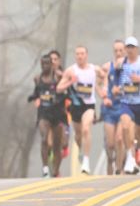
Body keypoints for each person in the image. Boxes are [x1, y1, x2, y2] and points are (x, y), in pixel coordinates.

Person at [56, 46, 106, 174]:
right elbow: (58, 88)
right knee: (78, 136)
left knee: (86, 129)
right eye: (77, 54)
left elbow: (105, 76)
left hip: (89, 106)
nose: (80, 56)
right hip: (76, 106)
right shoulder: (71, 71)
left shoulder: (94, 69)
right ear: (75, 56)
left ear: (86, 55)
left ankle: (86, 162)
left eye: (82, 53)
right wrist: (70, 82)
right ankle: (81, 151)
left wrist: (102, 87)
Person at [28, 54, 65, 177]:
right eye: (42, 64)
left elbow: (67, 91)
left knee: (57, 144)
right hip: (44, 113)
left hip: (58, 113)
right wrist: (33, 98)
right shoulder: (37, 79)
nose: (45, 66)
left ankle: (55, 170)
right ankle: (44, 168)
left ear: (52, 64)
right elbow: (36, 93)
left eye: (47, 64)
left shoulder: (58, 77)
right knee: (44, 139)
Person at [101, 40, 126, 175]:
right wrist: (104, 96)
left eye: (121, 50)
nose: (118, 53)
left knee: (120, 139)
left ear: (125, 51)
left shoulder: (131, 67)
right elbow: (97, 83)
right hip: (110, 110)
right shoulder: (107, 67)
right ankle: (110, 161)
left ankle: (119, 167)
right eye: (116, 50)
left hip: (124, 107)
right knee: (110, 144)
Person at [116, 36, 140, 174]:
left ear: (137, 49)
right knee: (125, 125)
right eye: (128, 47)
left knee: (138, 134)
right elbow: (113, 77)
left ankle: (136, 153)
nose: (130, 50)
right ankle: (130, 158)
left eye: (132, 47)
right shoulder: (121, 63)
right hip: (126, 102)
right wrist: (115, 88)